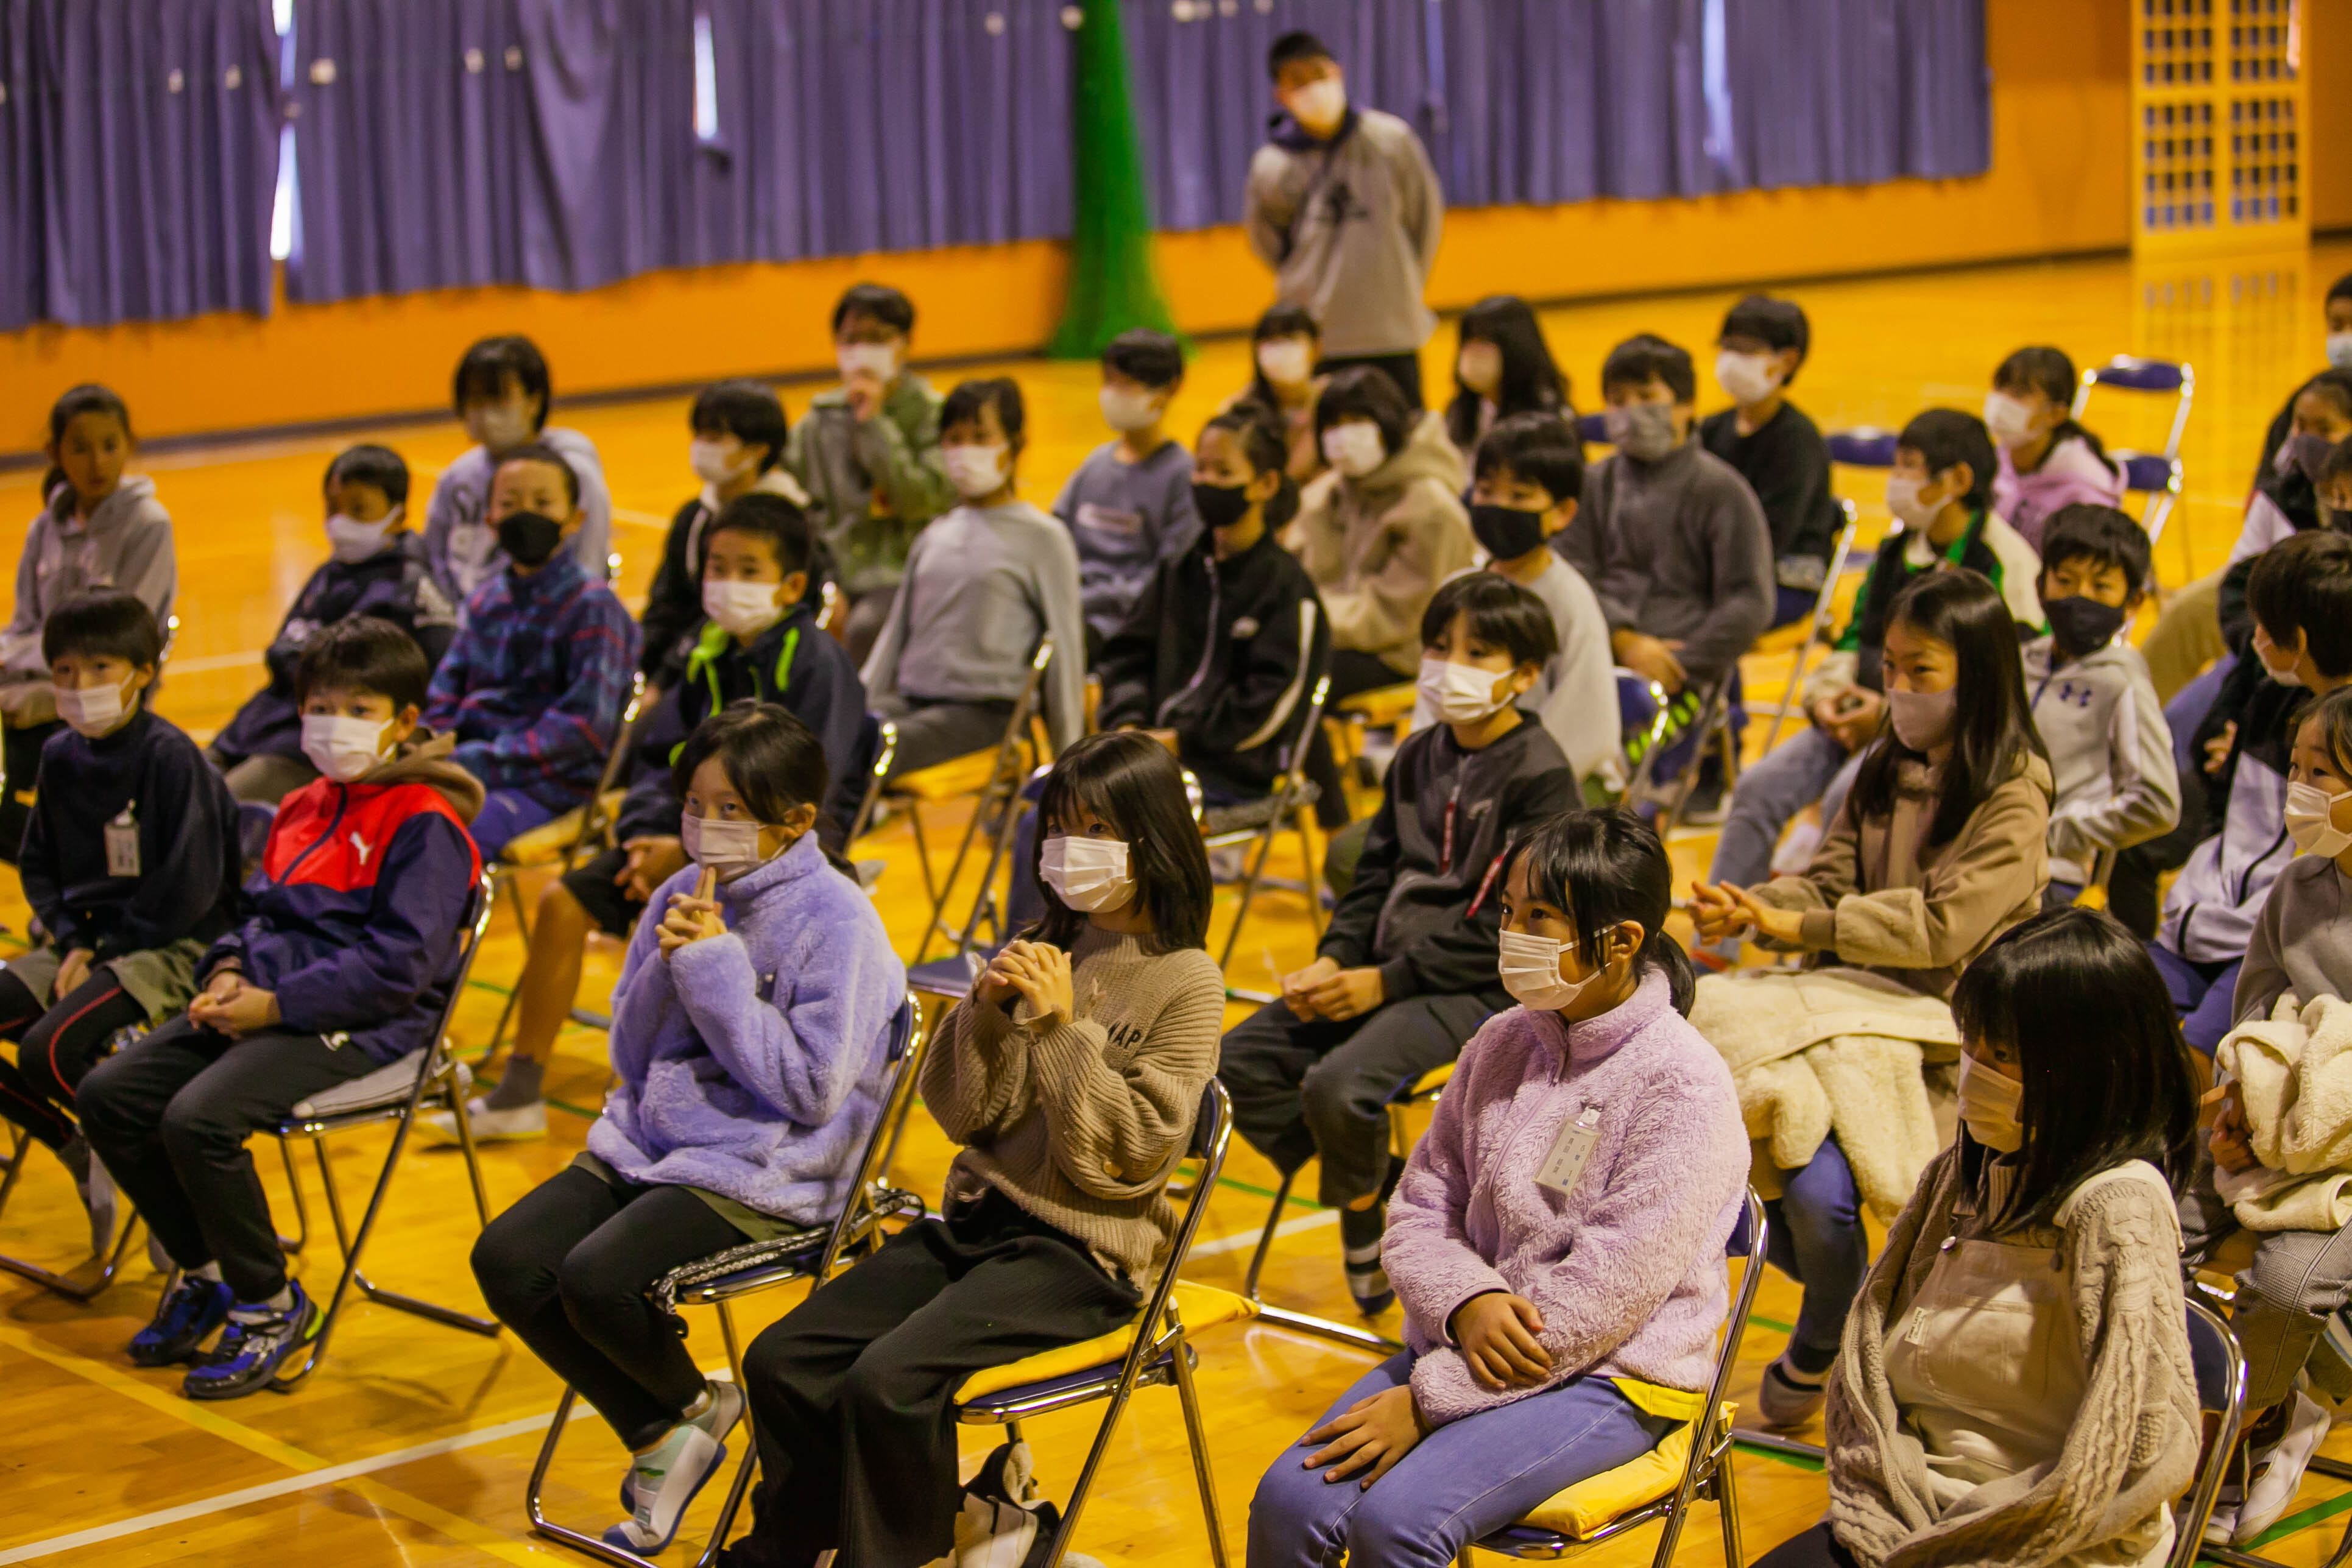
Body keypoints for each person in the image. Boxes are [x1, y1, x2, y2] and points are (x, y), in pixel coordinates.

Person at [722, 731, 1222, 1568]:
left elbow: (1129, 1158)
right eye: (1060, 827)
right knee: (783, 1357)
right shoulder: (1050, 939)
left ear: (1151, 838)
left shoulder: (1187, 979)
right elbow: (965, 1112)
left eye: (1095, 829)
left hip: (1084, 1252)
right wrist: (984, 1013)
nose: (1069, 849)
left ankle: (905, 1553)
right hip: (979, 1221)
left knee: (889, 1380)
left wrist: (1064, 1031)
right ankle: (799, 1543)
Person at [1246, 808, 1746, 1568]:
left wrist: (1427, 1400)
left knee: (1399, 1525)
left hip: (1617, 1377)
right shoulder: (1500, 1039)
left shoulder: (1684, 1085)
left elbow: (1605, 1296)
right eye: (1509, 910)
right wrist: (1467, 1303)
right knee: (1289, 1502)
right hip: (1468, 1342)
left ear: (1621, 943)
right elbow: (1419, 1204)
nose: (1511, 932)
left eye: (1538, 916)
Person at [471, 703, 903, 1556]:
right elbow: (630, 1058)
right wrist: (668, 972)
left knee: (596, 1278)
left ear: (796, 820)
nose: (704, 825)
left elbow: (812, 1091)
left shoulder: (838, 921)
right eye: (695, 805)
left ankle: (678, 1419)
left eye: (731, 810)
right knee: (509, 1259)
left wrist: (710, 972)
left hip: (773, 1164)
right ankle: (675, 1422)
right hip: (657, 1142)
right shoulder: (679, 890)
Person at [77, 618, 485, 1399]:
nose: (335, 724)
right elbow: (255, 913)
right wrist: (228, 971)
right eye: (321, 705)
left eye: (359, 709)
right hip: (265, 1002)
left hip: (371, 1024)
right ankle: (206, 1272)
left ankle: (269, 1304)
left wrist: (279, 1004)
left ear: (404, 722)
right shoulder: (301, 805)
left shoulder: (427, 824)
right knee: (112, 1094)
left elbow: (399, 967)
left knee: (198, 1118)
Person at [1689, 568, 2054, 1427]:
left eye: (1919, 670)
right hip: (1837, 991)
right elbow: (1828, 875)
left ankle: (1827, 1332)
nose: (1896, 687)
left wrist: (1804, 926)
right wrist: (1759, 904)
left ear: (1979, 672)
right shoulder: (1883, 761)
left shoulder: (2015, 788)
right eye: (1889, 666)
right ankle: (1842, 1305)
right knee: (1718, 1118)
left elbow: (1939, 929)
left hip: (1944, 1025)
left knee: (1819, 1194)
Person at [1751, 908, 2201, 1568]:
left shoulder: (2119, 1209)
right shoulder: (1961, 1172)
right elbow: (1872, 1352)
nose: (1974, 1074)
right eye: (1973, 1048)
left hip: (2049, 1539)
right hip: (1908, 1509)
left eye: (2004, 1057)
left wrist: (1963, 1540)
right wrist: (1887, 1498)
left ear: (2086, 1065)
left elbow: (2131, 1449)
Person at [432, 492, 865, 1142]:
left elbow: (810, 802)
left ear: (793, 584)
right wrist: (647, 836)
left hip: (780, 860)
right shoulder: (705, 648)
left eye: (748, 569)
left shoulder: (816, 664)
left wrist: (690, 857)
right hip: (685, 840)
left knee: (681, 924)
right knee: (561, 901)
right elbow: (658, 756)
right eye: (717, 565)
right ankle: (522, 1090)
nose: (726, 581)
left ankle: (704, 1098)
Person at [1220, 573, 1581, 1315]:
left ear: (1525, 675)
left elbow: (1506, 928)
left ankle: (1366, 1213)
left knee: (1337, 1087)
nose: (1451, 665)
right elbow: (1370, 873)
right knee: (1236, 1065)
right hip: (1379, 967)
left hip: (1469, 986)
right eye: (1440, 646)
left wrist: (1385, 981)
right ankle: (1378, 1186)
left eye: (1478, 652)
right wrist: (1336, 956)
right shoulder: (1417, 754)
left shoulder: (1544, 777)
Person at [1701, 408, 2044, 934]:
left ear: (1956, 481)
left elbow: (2008, 678)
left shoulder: (2003, 561)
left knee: (1848, 794)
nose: (1896, 481)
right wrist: (1826, 696)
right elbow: (1853, 638)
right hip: (1856, 713)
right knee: (1758, 785)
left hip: (1926, 730)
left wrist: (1886, 713)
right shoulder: (1892, 551)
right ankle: (1719, 940)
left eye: (1909, 467)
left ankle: (1832, 937)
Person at [0, 592, 239, 1256]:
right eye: (66, 672)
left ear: (142, 670)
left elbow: (189, 889)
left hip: (171, 944)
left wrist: (105, 947)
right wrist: (73, 940)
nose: (80, 688)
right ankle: (80, 1143)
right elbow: (38, 864)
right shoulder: (59, 756)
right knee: (38, 1035)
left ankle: (153, 1169)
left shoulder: (171, 758)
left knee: (49, 1050)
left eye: (100, 667)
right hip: (92, 944)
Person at [2178, 683, 2352, 1545]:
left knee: (2285, 1283)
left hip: (2346, 1161)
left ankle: (2254, 1424)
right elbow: (2255, 1008)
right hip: (2275, 1130)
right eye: (2295, 768)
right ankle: (2171, 1406)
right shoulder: (2296, 883)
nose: (2299, 790)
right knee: (2147, 1222)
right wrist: (2244, 1102)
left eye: (2321, 772)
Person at [2150, 530, 2352, 1054]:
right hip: (2210, 908)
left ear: (2299, 640)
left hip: (2279, 935)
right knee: (2101, 1012)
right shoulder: (2269, 698)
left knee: (2190, 1065)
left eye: (2263, 625)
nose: (2254, 637)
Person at [1561, 333, 1773, 803]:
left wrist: (1682, 663)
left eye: (1646, 398)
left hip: (1681, 672)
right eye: (1616, 401)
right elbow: (1571, 574)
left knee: (1603, 784)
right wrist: (1623, 639)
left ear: (1686, 406)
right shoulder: (1592, 484)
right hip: (1594, 654)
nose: (1630, 412)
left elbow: (1749, 600)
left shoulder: (1722, 491)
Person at [1095, 402, 1330, 810]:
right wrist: (1128, 722)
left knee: (1106, 818)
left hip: (1233, 772)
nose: (1206, 482)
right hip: (1149, 756)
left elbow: (1271, 704)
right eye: (1201, 469)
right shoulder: (1178, 570)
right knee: (1051, 806)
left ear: (1266, 485)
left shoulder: (1287, 589)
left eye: (1224, 472)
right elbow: (1126, 655)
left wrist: (1181, 741)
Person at [420, 443, 640, 861]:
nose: (526, 514)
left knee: (434, 841)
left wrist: (476, 761)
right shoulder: (484, 602)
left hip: (550, 785)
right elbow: (444, 693)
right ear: (491, 520)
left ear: (575, 518)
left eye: (542, 502)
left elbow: (584, 728)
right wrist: (436, 747)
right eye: (510, 503)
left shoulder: (593, 608)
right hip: (467, 769)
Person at [208, 445, 459, 804]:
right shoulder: (328, 575)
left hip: (312, 745)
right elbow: (283, 655)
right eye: (333, 509)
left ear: (398, 514)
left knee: (220, 810)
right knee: (186, 781)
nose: (340, 522)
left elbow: (431, 684)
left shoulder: (413, 591)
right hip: (260, 727)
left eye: (358, 510)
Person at [860, 377, 1086, 775]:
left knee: (870, 744)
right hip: (913, 702)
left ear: (1015, 444)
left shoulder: (1043, 538)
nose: (966, 451)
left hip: (984, 713)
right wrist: (853, 702)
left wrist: (1070, 764)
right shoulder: (934, 534)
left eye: (981, 437)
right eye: (954, 438)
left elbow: (1064, 655)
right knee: (824, 734)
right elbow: (892, 642)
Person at [0, 385, 175, 858]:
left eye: (110, 446)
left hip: (106, 695)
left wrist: (44, 674)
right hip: (46, 679)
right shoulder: (45, 528)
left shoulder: (148, 524)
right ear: (54, 453)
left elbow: (121, 638)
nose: (97, 462)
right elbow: (22, 625)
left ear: (129, 445)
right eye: (80, 448)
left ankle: (68, 864)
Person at [1244, 30, 1442, 411]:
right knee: (1328, 432)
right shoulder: (1272, 164)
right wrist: (1306, 279)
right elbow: (1267, 242)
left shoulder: (1392, 140)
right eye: (1297, 81)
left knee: (1406, 428)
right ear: (1279, 94)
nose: (1312, 89)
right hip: (1318, 331)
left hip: (1391, 325)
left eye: (1318, 75)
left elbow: (1424, 220)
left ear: (1339, 72)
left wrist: (1404, 280)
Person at [1437, 410, 1619, 796]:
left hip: (1561, 778)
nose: (1499, 506)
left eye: (1520, 496)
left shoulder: (1570, 600)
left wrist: (1509, 782)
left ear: (1562, 512)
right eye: (1486, 491)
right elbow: (1434, 697)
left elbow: (1588, 724)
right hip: (1466, 775)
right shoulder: (1458, 589)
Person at [788, 282, 956, 666]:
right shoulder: (818, 421)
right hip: (834, 573)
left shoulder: (933, 415)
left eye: (877, 339)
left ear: (904, 344)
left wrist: (874, 424)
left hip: (906, 573)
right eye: (851, 339)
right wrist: (825, 584)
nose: (862, 350)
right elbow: (795, 509)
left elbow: (920, 500)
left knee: (865, 628)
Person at [2024, 504, 2179, 907]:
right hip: (1980, 853)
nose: (2080, 598)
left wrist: (2058, 831)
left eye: (2100, 586)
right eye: (2065, 580)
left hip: (2051, 877)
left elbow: (2158, 803)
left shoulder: (2122, 682)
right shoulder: (2019, 660)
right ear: (2041, 585)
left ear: (2132, 601)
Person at [1288, 366, 1473, 699]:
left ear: (1388, 423)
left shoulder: (1431, 509)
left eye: (1357, 421)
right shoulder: (1324, 496)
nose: (1343, 436)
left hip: (1403, 653)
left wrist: (1302, 621)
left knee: (1290, 680)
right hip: (1332, 635)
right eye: (1333, 425)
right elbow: (1293, 578)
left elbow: (1398, 619)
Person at [422, 335, 612, 602]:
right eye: (475, 401)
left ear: (534, 401)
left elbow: (589, 559)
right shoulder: (457, 477)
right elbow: (434, 557)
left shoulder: (574, 471)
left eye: (499, 400)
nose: (486, 413)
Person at [638, 380, 807, 679]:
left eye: (716, 438)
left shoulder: (792, 522)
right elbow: (665, 607)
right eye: (699, 436)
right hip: (688, 664)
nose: (702, 447)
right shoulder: (692, 516)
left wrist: (669, 673)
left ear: (757, 450)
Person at [1053, 328, 1200, 653]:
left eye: (1127, 383)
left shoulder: (1181, 477)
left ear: (1169, 388)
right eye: (1109, 381)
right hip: (1069, 608)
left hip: (1124, 628)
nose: (1114, 393)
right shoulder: (1095, 465)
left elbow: (1166, 579)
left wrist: (1088, 601)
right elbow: (1053, 537)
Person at [1698, 295, 1841, 627]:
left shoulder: (1798, 442)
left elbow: (1771, 538)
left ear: (1787, 362)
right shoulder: (1712, 428)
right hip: (1720, 569)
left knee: (1691, 617)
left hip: (1784, 578)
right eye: (1727, 346)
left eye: (1746, 350)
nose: (1732, 360)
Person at [1984, 345, 2126, 553]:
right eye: (1999, 388)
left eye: (2019, 394)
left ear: (2056, 415)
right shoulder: (1994, 461)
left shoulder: (2084, 491)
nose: (2001, 402)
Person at [2250, 269, 2352, 492]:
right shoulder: (2309, 397)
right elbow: (2265, 484)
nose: (2346, 337)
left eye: (2325, 429)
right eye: (2337, 326)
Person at [1442, 295, 1572, 463]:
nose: (1473, 351)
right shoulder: (1460, 412)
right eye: (1468, 340)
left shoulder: (1550, 418)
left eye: (1484, 340)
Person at [1235, 303, 1326, 481]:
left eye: (1290, 339)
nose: (1281, 350)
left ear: (1317, 347)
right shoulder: (1240, 406)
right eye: (1271, 342)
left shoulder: (1332, 398)